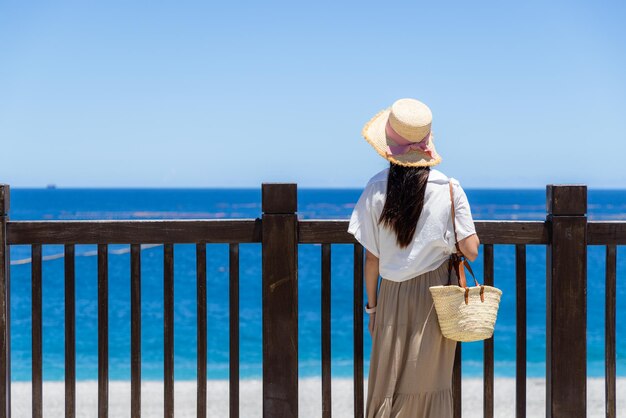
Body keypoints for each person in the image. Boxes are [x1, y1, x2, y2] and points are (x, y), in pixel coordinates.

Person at [347, 98, 480, 417]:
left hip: (391, 292)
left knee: (388, 384)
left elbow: (371, 260)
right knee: (430, 383)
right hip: (436, 297)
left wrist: (372, 308)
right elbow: (471, 249)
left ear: (389, 146)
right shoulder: (449, 187)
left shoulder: (376, 187)